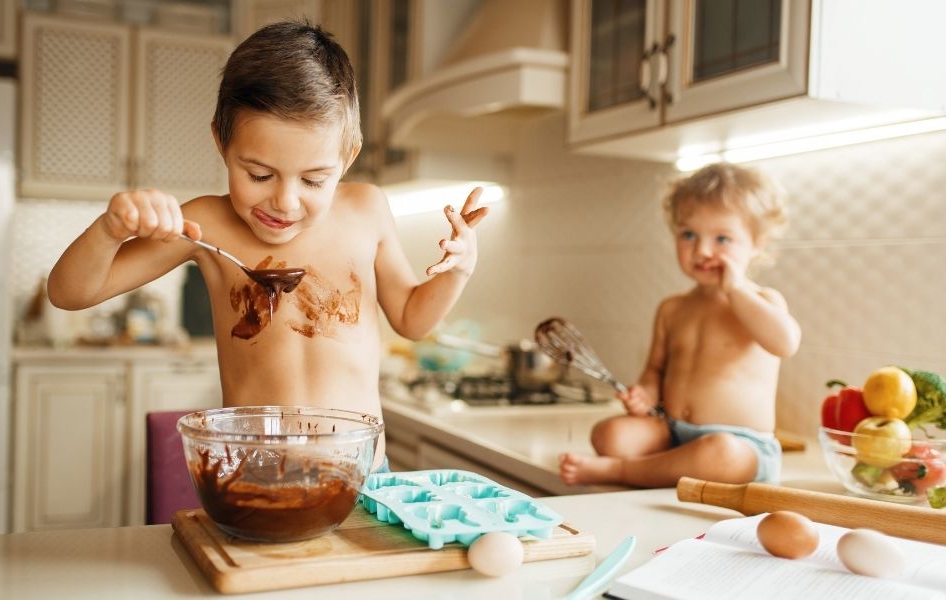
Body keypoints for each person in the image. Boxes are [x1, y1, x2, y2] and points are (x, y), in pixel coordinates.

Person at [47, 21, 488, 471]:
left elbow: (412, 319)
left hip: (362, 479)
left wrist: (458, 270)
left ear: (348, 156)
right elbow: (68, 293)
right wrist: (110, 229)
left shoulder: (367, 210)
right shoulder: (205, 223)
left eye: (314, 180)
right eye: (259, 175)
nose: (285, 201)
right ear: (221, 143)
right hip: (257, 476)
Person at [559, 163, 800, 487]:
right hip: (671, 431)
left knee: (720, 453)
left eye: (722, 239)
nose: (702, 250)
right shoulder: (673, 309)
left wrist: (736, 289)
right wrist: (644, 395)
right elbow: (655, 371)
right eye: (688, 235)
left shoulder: (762, 301)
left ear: (757, 243)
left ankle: (622, 471)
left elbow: (785, 342)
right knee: (610, 435)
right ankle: (668, 467)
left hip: (740, 444)